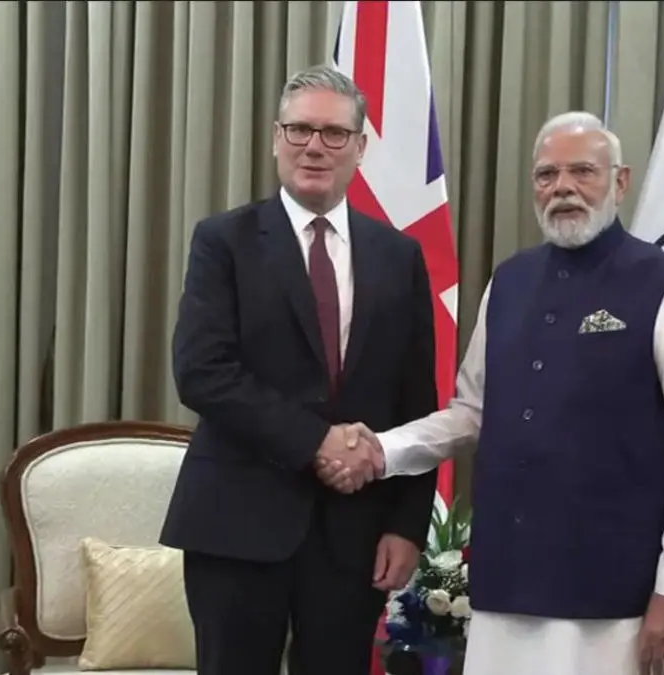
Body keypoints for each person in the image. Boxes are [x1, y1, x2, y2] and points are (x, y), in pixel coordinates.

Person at [318, 111, 664, 675]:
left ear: (620, 181)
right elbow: (471, 413)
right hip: (506, 583)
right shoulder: (508, 283)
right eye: (546, 175)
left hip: (616, 592)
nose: (562, 187)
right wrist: (382, 450)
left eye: (582, 171)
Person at [159, 64, 441, 675]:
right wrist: (315, 442)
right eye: (300, 130)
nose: (315, 145)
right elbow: (202, 371)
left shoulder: (400, 256)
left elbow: (417, 401)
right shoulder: (223, 241)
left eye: (335, 133)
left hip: (355, 538)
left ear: (361, 148)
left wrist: (407, 526)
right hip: (236, 525)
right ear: (276, 139)